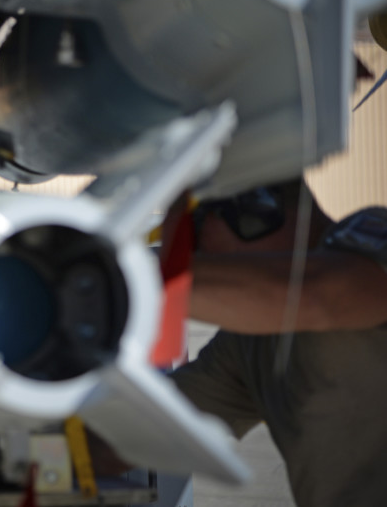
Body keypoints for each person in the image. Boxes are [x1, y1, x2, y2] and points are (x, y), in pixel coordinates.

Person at [155, 178, 387, 506]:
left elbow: (320, 296)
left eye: (193, 229)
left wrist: (132, 284)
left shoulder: (375, 236)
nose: (195, 255)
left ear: (257, 212)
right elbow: (162, 424)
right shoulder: (249, 340)